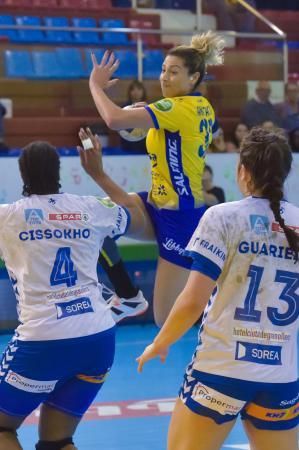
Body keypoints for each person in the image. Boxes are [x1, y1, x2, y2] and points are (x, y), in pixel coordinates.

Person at [136, 126, 299, 450]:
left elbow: (193, 299)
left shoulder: (222, 217)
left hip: (220, 370)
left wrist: (160, 342)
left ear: (243, 171)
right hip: (280, 377)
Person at [0, 141, 145, 450]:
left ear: (21, 172)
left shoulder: (8, 217)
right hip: (97, 338)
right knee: (57, 441)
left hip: (42, 341)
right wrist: (99, 173)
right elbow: (137, 217)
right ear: (59, 170)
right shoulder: (91, 207)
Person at [86, 31, 224, 326]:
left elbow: (112, 120)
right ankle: (128, 295)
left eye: (174, 72)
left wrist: (95, 86)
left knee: (165, 319)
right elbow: (164, 127)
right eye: (163, 69)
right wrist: (141, 117)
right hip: (155, 204)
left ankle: (220, 302)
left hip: (181, 220)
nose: (164, 77)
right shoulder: (198, 107)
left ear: (194, 77)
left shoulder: (177, 108)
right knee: (96, 217)